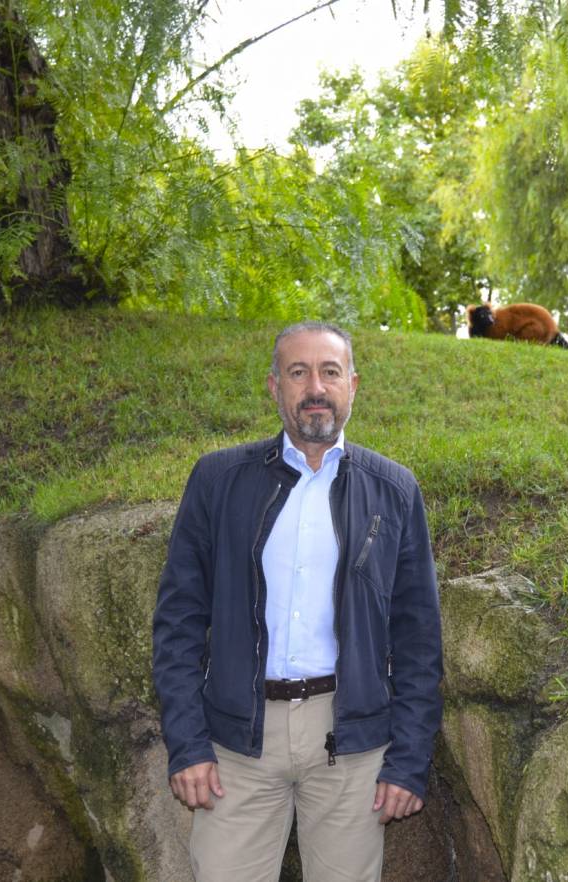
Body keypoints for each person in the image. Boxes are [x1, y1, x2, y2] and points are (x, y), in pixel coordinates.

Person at [153, 321, 443, 882]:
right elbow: (178, 623)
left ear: (353, 384)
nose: (316, 386)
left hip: (352, 745)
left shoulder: (395, 490)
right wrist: (187, 744)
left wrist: (408, 761)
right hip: (237, 741)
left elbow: (418, 640)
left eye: (330, 372)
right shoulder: (217, 480)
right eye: (298, 372)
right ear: (274, 386)